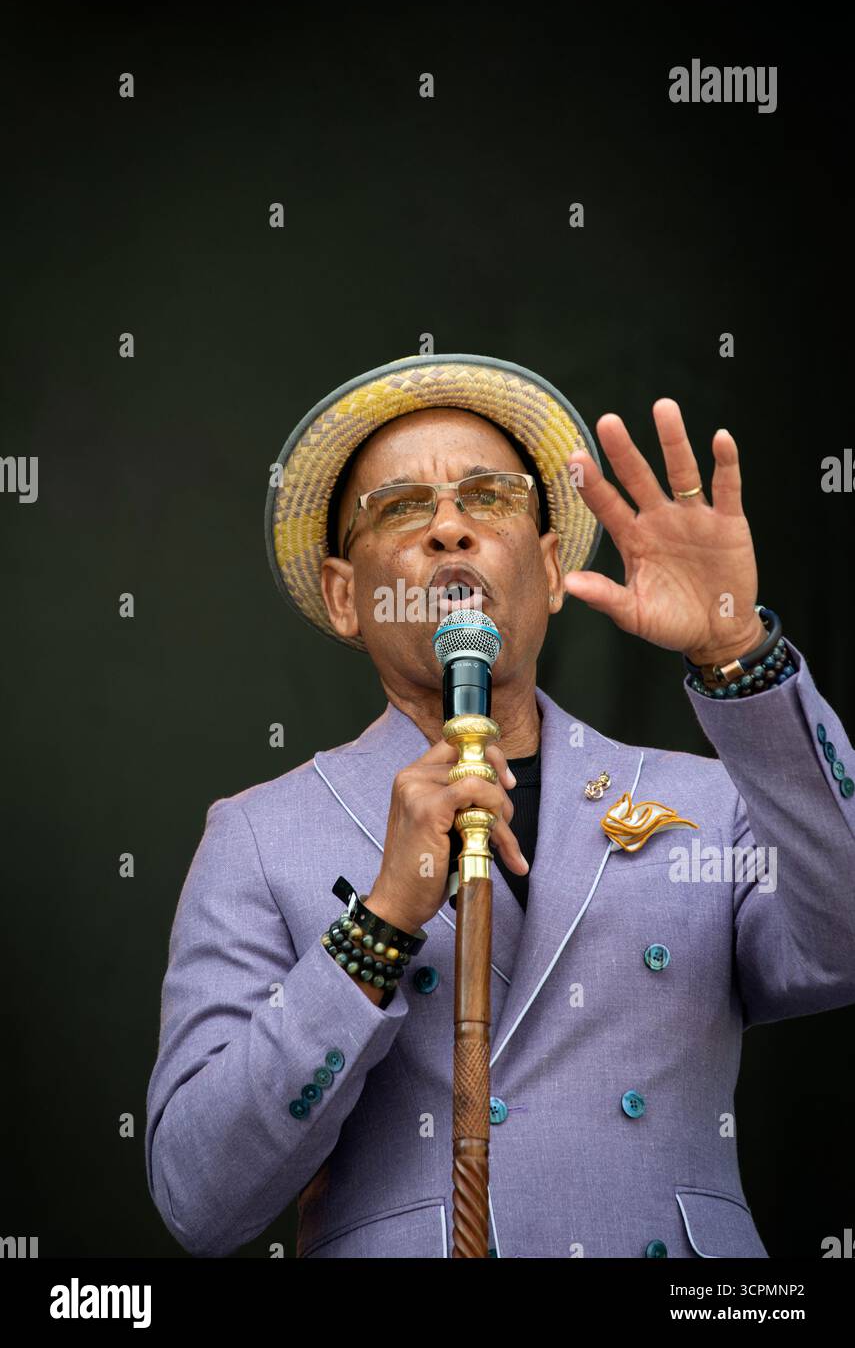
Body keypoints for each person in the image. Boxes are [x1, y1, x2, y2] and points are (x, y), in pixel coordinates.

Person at [144, 353, 855, 1259]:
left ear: (551, 569)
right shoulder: (256, 835)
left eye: (488, 497)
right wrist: (380, 925)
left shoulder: (704, 800)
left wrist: (734, 652)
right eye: (401, 508)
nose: (450, 528)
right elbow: (199, 1197)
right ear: (342, 596)